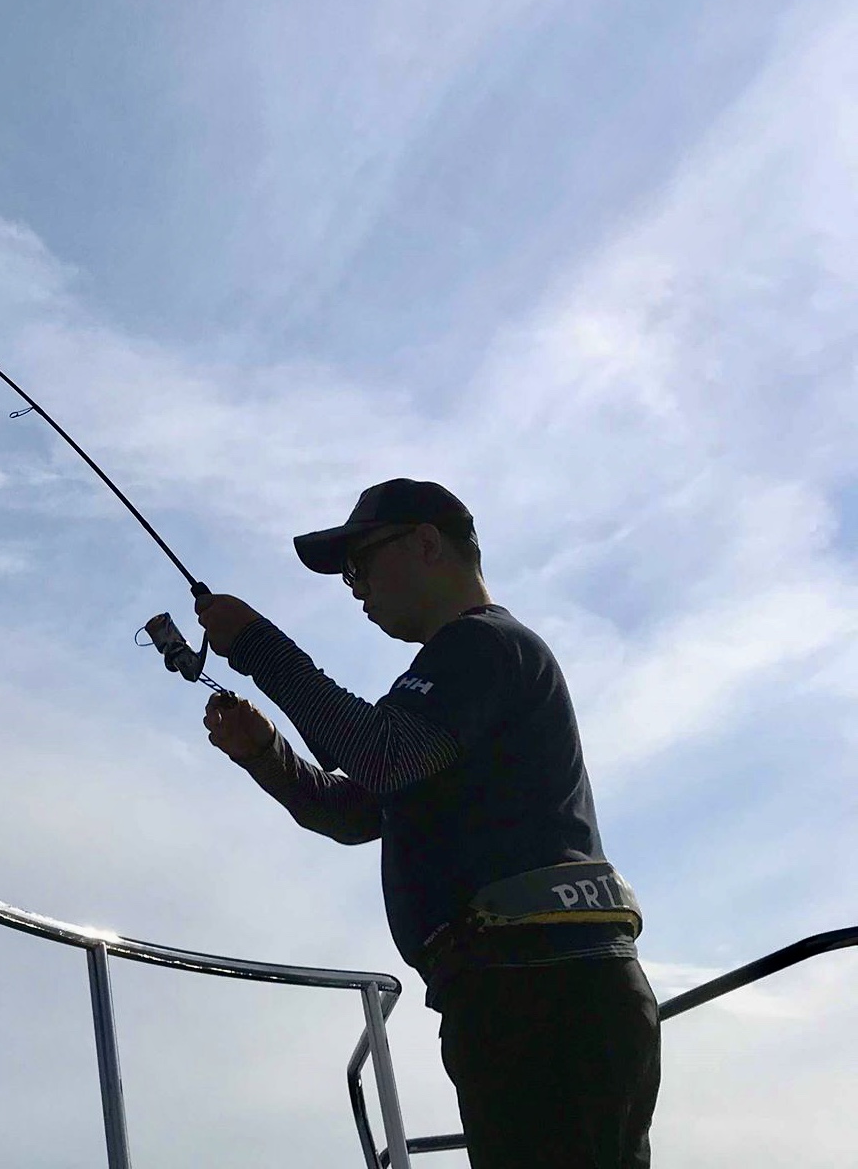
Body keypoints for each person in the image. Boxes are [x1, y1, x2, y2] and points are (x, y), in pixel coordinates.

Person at [194, 478, 659, 1169]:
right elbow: (354, 811)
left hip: (546, 989)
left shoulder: (483, 645)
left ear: (426, 543)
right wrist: (265, 754)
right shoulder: (454, 682)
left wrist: (256, 645)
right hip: (529, 991)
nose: (355, 587)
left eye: (360, 563)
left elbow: (381, 756)